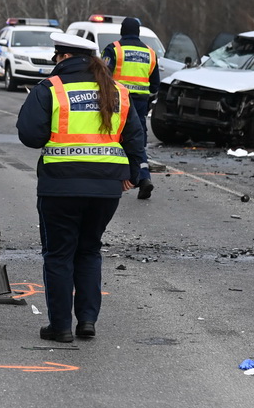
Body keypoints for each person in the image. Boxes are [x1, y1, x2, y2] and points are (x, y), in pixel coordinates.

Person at [16, 33, 146, 343]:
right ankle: (87, 320)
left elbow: (30, 135)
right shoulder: (117, 91)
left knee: (59, 255)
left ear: (62, 57)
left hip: (60, 186)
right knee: (89, 251)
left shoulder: (50, 89)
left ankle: (60, 326)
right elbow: (135, 137)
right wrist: (135, 173)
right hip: (106, 189)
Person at [100, 17, 159, 199]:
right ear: (139, 32)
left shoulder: (114, 48)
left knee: (112, 136)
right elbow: (155, 84)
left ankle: (111, 178)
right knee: (137, 140)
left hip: (118, 99)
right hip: (140, 102)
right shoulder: (150, 52)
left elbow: (102, 75)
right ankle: (143, 177)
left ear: (122, 31)